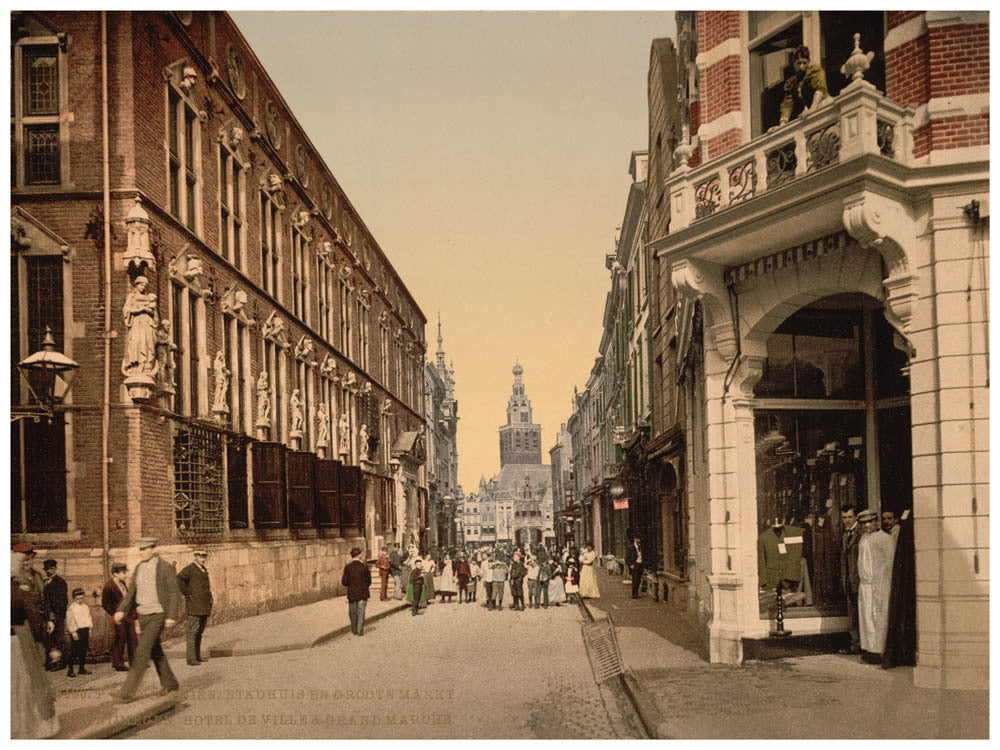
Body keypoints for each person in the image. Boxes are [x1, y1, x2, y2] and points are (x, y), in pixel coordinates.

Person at [115, 537, 181, 703]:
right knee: (155, 650)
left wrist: (171, 615)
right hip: (143, 615)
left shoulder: (164, 567)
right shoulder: (139, 568)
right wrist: (121, 611)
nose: (142, 552)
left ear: (153, 549)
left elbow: (174, 592)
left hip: (158, 614)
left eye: (145, 549)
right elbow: (131, 594)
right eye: (141, 549)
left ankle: (127, 692)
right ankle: (171, 684)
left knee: (142, 650)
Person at [11, 572, 60, 738]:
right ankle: (32, 728)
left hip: (15, 642)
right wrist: (51, 647)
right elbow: (35, 622)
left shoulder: (19, 590)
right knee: (27, 685)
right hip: (17, 644)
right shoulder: (19, 591)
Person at [857, 509, 895, 663]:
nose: (867, 525)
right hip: (865, 584)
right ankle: (869, 648)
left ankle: (879, 650)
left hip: (879, 584)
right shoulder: (864, 538)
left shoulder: (884, 539)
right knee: (866, 617)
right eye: (864, 523)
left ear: (875, 521)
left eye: (869, 522)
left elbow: (890, 561)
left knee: (878, 616)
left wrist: (882, 581)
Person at [177, 548, 212, 666]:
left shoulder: (203, 570)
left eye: (204, 557)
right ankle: (191, 658)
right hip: (194, 606)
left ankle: (197, 656)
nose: (203, 559)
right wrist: (187, 593)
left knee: (199, 632)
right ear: (195, 557)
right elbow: (179, 579)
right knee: (192, 632)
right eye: (200, 557)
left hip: (203, 605)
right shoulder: (190, 569)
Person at [779, 45, 829, 126]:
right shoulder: (792, 82)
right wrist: (782, 123)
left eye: (804, 63)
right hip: (812, 109)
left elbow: (819, 90)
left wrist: (812, 109)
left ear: (808, 62)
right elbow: (787, 104)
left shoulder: (814, 72)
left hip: (823, 104)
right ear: (794, 64)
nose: (801, 66)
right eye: (798, 63)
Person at [102, 562, 137, 672]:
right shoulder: (109, 586)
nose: (125, 574)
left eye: (125, 572)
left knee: (133, 639)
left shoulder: (122, 583)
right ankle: (118, 663)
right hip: (118, 617)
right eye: (123, 572)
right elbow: (105, 604)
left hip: (128, 615)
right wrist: (115, 613)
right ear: (115, 573)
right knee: (119, 640)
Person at [839, 505, 862, 654]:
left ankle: (865, 645)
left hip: (861, 580)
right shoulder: (844, 534)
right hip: (849, 580)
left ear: (856, 517)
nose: (847, 521)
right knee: (853, 614)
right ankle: (856, 644)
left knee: (863, 614)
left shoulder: (862, 532)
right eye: (844, 518)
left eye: (849, 517)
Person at [42, 559, 68, 671]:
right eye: (47, 569)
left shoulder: (60, 582)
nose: (49, 571)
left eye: (51, 568)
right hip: (47, 616)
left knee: (59, 638)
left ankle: (61, 663)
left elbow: (62, 601)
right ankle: (51, 662)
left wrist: (55, 616)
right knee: (49, 639)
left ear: (55, 569)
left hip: (57, 615)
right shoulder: (44, 582)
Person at [341, 547, 372, 636]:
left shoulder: (348, 567)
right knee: (361, 611)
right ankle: (360, 630)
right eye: (361, 554)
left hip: (352, 593)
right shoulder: (364, 567)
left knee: (352, 612)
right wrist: (364, 586)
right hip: (363, 593)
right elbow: (369, 581)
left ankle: (354, 630)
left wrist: (351, 585)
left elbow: (344, 582)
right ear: (359, 556)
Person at [65, 587, 93, 677]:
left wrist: (90, 628)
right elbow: (70, 621)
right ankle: (70, 670)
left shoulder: (85, 607)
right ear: (74, 598)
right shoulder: (71, 608)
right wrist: (73, 632)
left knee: (83, 650)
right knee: (74, 650)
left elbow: (88, 618)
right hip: (77, 631)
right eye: (77, 599)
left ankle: (81, 668)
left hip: (85, 630)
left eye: (81, 598)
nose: (80, 600)